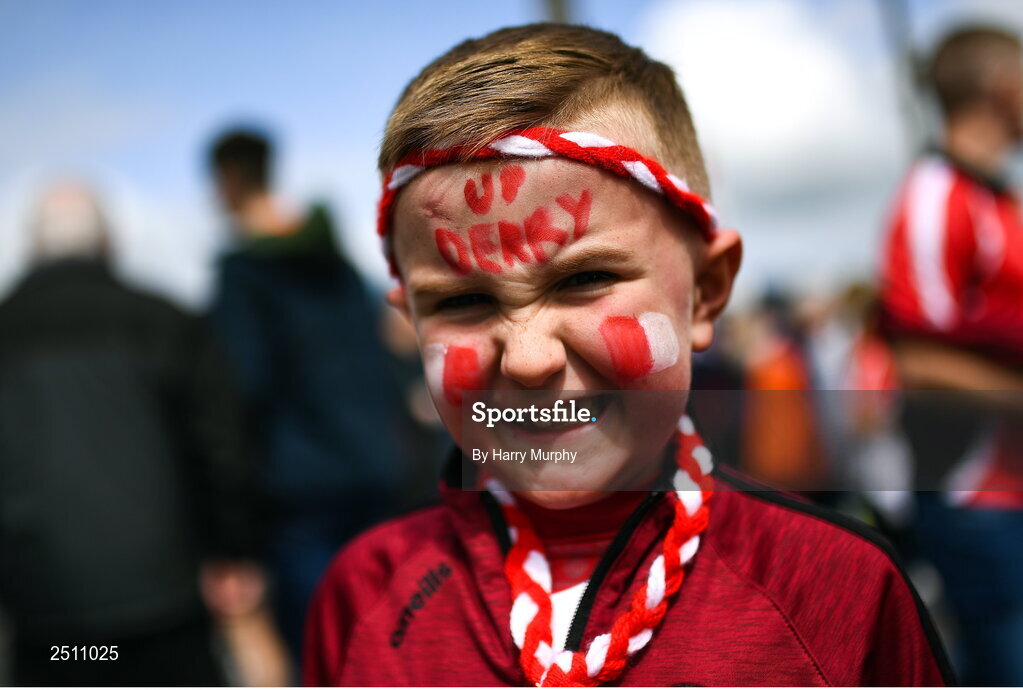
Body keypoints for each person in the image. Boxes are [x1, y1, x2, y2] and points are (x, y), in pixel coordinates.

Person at [303, 24, 953, 686]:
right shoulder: (362, 595)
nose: (527, 360)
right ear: (410, 321)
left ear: (705, 291)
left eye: (583, 280)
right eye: (461, 303)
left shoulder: (835, 591)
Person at [0, 182, 258, 685]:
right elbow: (222, 446)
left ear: (32, 247)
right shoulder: (164, 319)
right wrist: (234, 550)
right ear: (107, 243)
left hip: (48, 623)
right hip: (168, 606)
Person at [207, 128, 408, 660]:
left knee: (322, 651)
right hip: (374, 468)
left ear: (226, 180)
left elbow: (241, 386)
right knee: (384, 642)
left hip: (299, 492)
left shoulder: (243, 272)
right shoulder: (335, 260)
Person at [878, 26, 1023, 685]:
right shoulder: (937, 195)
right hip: (973, 498)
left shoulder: (998, 197)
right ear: (1001, 88)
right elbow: (915, 359)